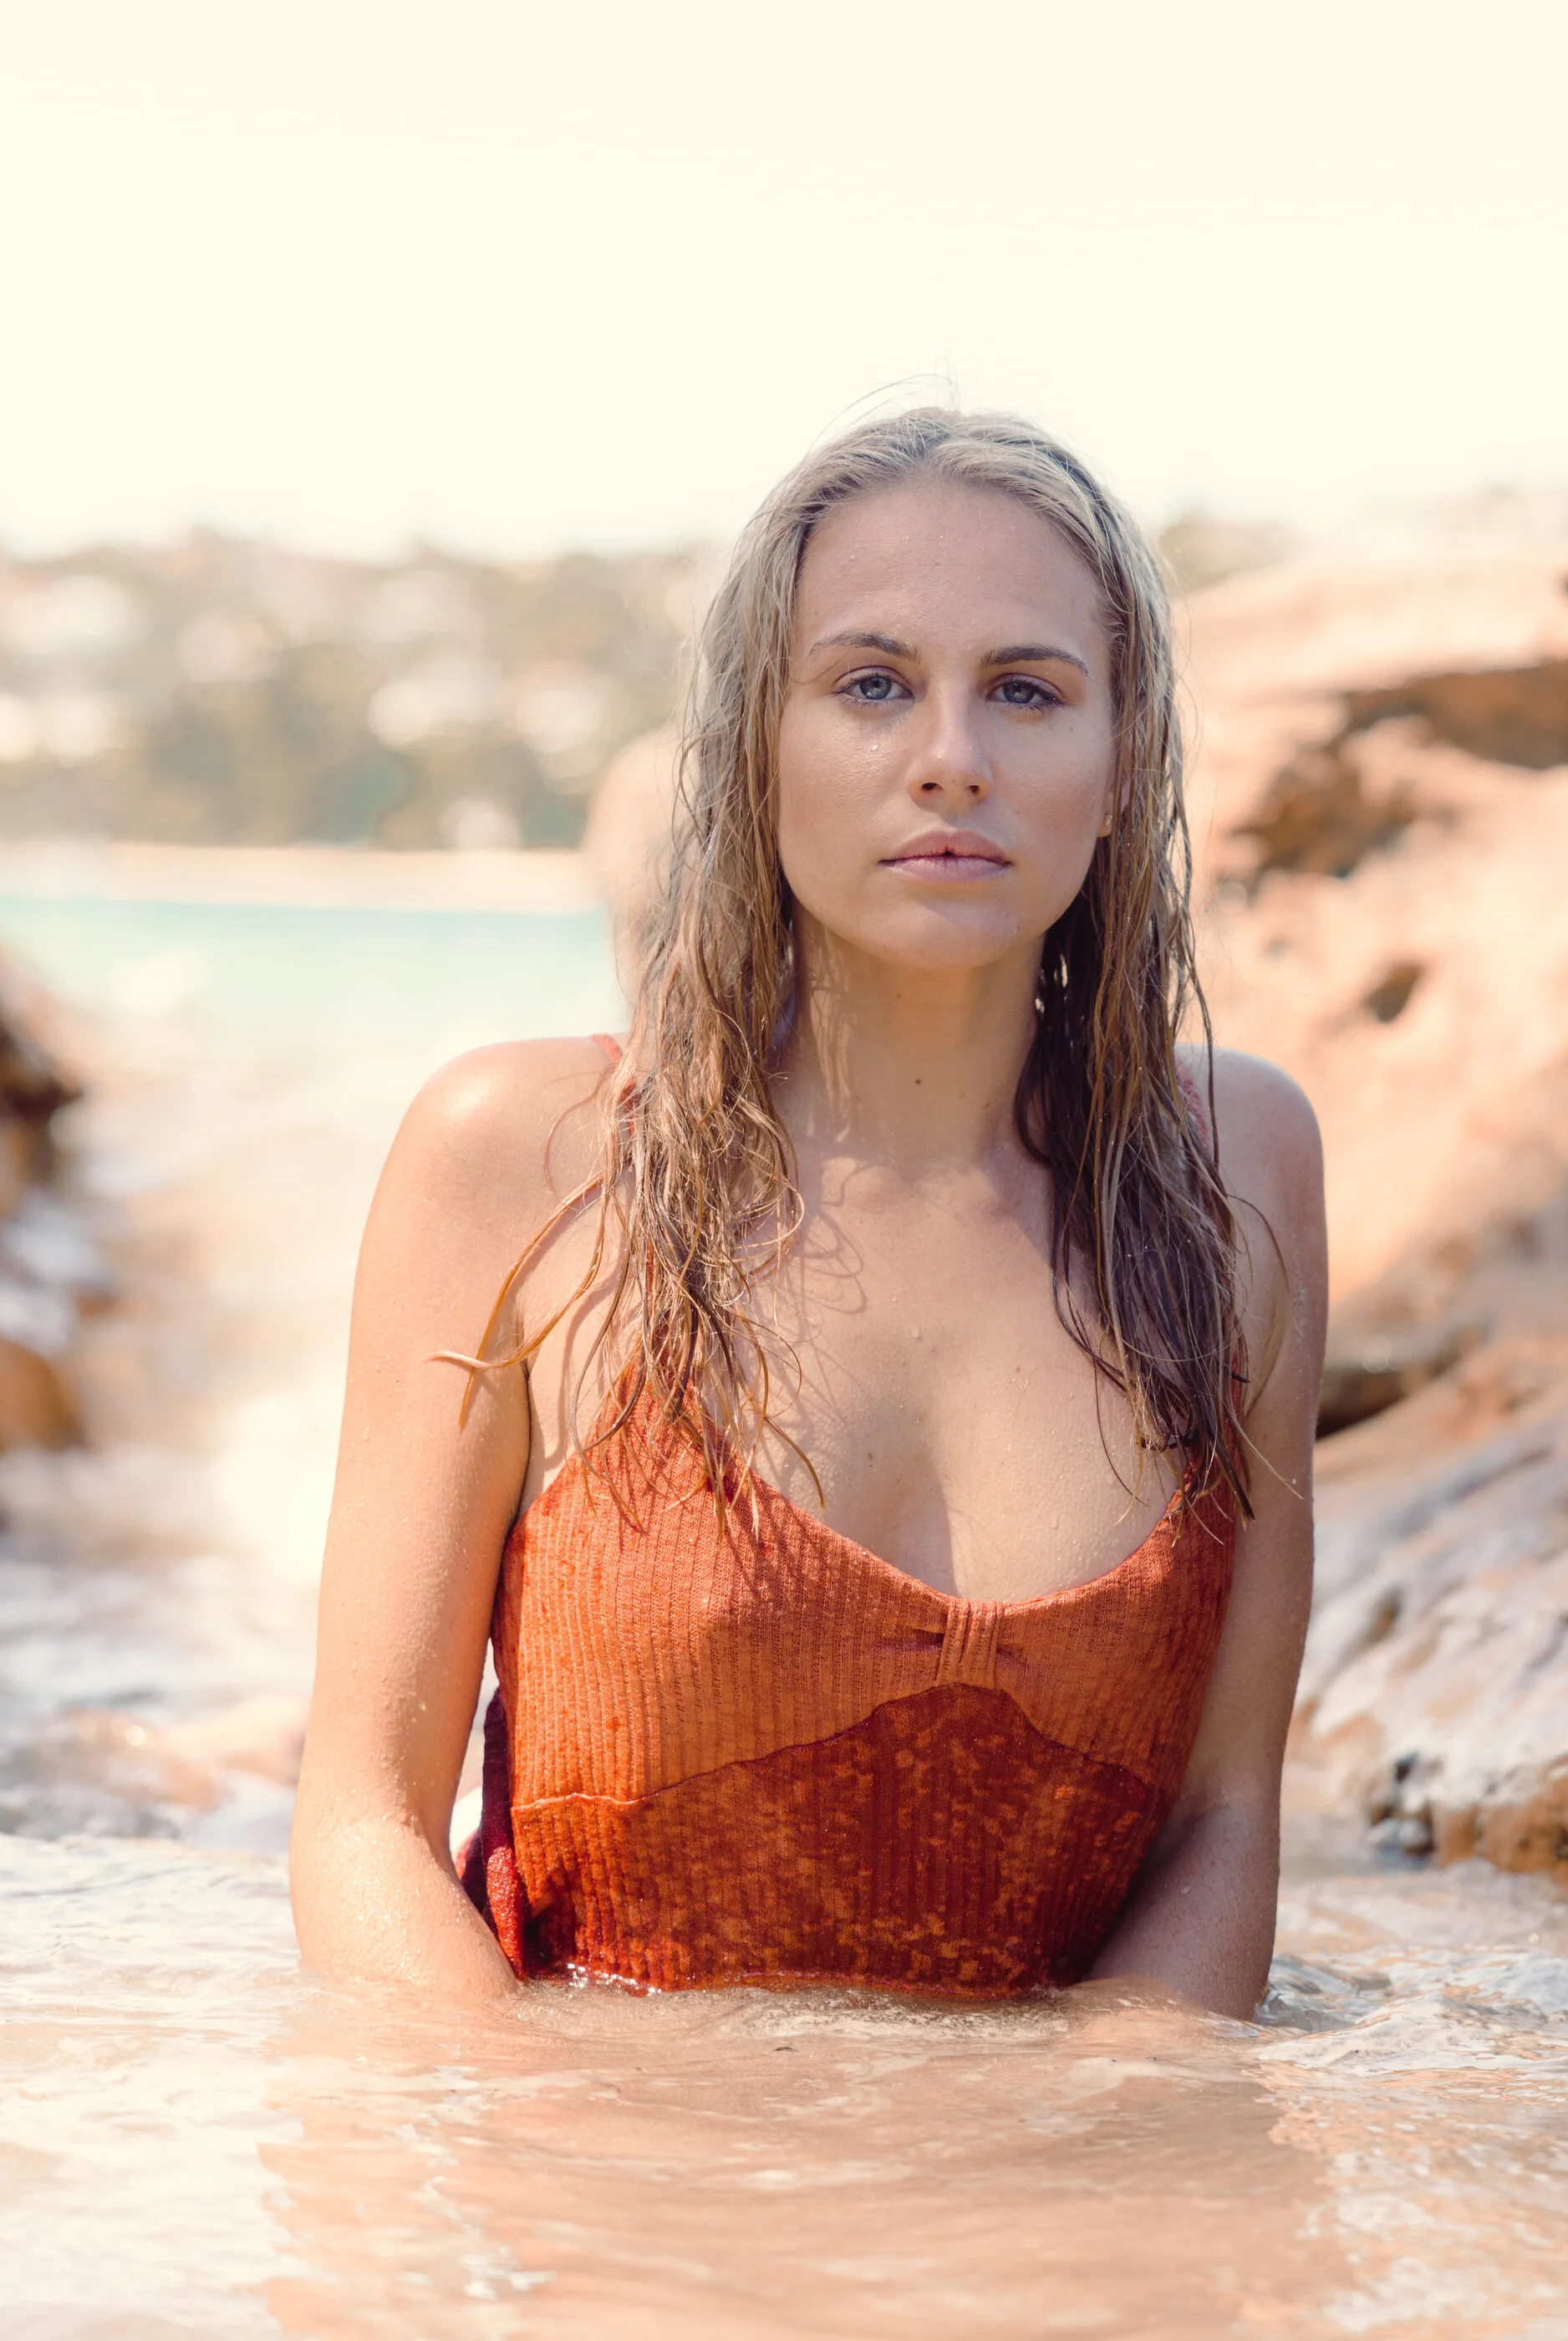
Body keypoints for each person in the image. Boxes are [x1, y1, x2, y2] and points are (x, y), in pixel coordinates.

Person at [290, 410, 1326, 2019]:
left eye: (1030, 691)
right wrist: (548, 2148)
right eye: (870, 682)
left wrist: (1110, 2174)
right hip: (606, 2224)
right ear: (750, 743)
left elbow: (1224, 1817)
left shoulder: (1233, 1172)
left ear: (1125, 769)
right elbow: (358, 1826)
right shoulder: (523, 1162)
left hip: (1062, 2249)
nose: (953, 755)